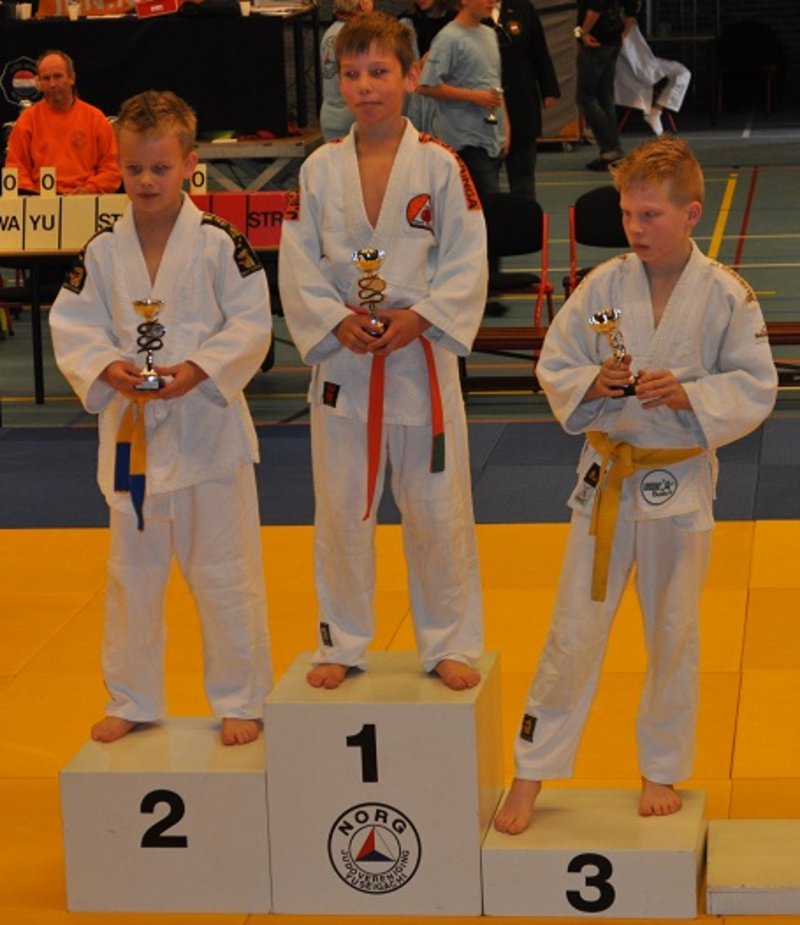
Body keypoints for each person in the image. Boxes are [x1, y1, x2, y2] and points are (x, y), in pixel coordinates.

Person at [493, 136, 777, 834]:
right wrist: (595, 382)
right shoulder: (603, 287)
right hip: (605, 481)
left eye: (650, 215)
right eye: (628, 214)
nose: (635, 228)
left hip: (678, 483)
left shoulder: (726, 295)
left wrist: (691, 395)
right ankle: (531, 770)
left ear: (690, 213)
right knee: (573, 630)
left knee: (674, 633)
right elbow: (557, 359)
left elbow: (756, 384)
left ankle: (661, 769)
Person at [50, 91, 273, 746]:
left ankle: (241, 698)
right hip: (132, 438)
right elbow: (73, 324)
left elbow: (251, 322)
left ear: (190, 166)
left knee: (226, 575)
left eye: (160, 168)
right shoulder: (100, 251)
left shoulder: (220, 244)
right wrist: (106, 367)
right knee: (132, 579)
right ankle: (132, 696)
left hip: (208, 436)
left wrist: (201, 368)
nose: (146, 180)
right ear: (118, 165)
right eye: (134, 168)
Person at [279, 11, 486, 692]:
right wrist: (333, 320)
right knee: (341, 510)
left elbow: (467, 257)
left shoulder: (441, 165)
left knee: (438, 511)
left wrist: (421, 316)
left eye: (379, 72)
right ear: (337, 80)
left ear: (411, 76)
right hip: (345, 365)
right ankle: (341, 640)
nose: (365, 86)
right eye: (352, 73)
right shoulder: (318, 169)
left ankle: (450, 641)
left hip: (420, 360)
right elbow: (298, 261)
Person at [417, 0, 509, 205]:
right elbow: (426, 85)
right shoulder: (448, 38)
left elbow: (495, 85)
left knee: (488, 206)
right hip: (464, 140)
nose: (492, 2)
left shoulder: (490, 34)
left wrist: (505, 128)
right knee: (488, 204)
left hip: (491, 137)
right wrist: (474, 97)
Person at [5, 49, 121, 195]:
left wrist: (90, 189)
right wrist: (34, 195)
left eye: (58, 76)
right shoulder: (28, 120)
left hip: (86, 200)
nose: (52, 84)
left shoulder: (95, 119)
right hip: (41, 201)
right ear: (39, 83)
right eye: (46, 78)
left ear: (72, 78)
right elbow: (16, 168)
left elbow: (112, 169)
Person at [489, 0, 560, 199]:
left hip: (521, 96)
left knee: (523, 172)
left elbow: (539, 49)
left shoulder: (522, 7)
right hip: (485, 102)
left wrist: (548, 89)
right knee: (486, 177)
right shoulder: (469, 13)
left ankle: (526, 214)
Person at [575, 0, 638, 171]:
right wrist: (623, 34)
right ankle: (610, 151)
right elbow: (632, 9)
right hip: (612, 38)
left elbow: (595, 7)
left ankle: (611, 148)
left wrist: (583, 33)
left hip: (597, 38)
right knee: (605, 97)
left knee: (585, 96)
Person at [615, 21, 691, 137]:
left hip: (643, 63)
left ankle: (656, 111)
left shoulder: (627, 24)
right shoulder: (623, 25)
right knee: (682, 72)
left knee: (682, 72)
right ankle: (656, 111)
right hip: (638, 66)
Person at [320, 0, 374, 141]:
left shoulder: (330, 32)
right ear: (363, 4)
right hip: (351, 116)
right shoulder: (356, 35)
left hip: (329, 114)